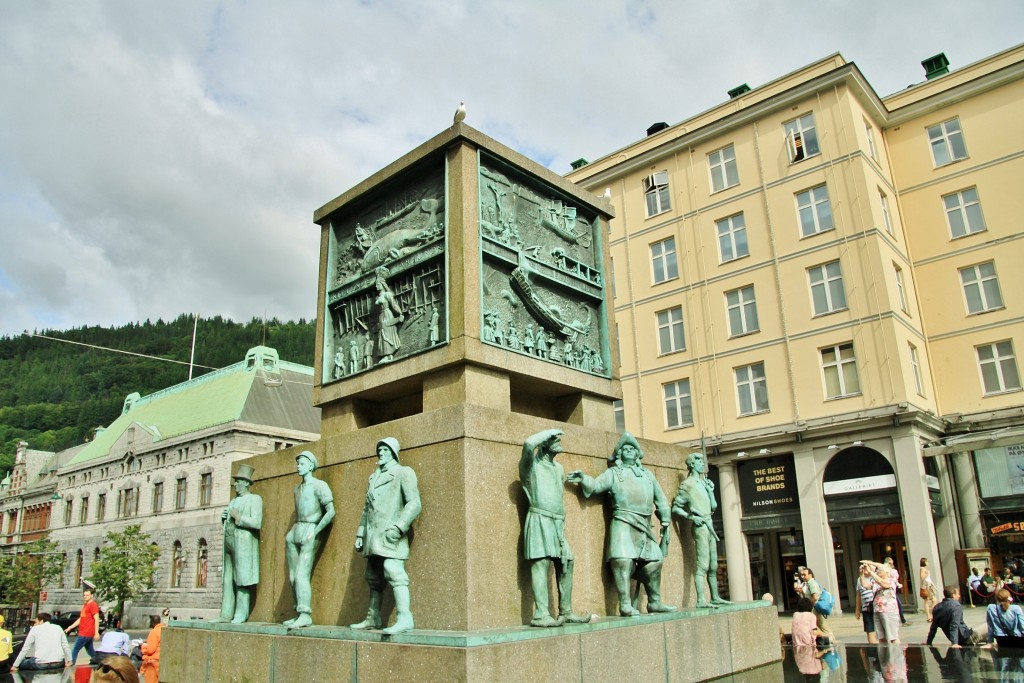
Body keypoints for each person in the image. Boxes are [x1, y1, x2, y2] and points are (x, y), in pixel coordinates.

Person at [568, 433, 676, 616]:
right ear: (619, 454)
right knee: (622, 560)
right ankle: (625, 604)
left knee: (655, 561)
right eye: (625, 449)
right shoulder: (613, 473)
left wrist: (665, 517)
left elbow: (661, 499)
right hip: (623, 521)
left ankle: (654, 601)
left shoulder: (647, 475)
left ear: (637, 454)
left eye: (632, 448)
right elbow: (596, 486)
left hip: (644, 525)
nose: (629, 451)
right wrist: (584, 478)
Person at [518, 429, 591, 627]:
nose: (558, 441)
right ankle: (541, 614)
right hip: (539, 519)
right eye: (553, 440)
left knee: (568, 561)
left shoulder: (558, 468)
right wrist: (548, 432)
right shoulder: (531, 466)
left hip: (557, 523)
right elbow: (528, 444)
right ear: (544, 443)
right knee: (540, 563)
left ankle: (566, 611)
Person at [350, 438, 422, 634]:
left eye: (385, 450)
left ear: (393, 452)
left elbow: (414, 503)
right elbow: (366, 509)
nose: (380, 453)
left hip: (391, 533)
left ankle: (405, 617)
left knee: (394, 571)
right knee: (372, 576)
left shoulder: (403, 472)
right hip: (373, 534)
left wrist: (399, 528)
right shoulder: (373, 478)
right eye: (379, 450)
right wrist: (361, 533)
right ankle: (373, 617)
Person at [283, 451, 335, 628]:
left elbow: (331, 512)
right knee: (292, 577)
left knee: (301, 575)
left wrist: (315, 531)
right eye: (298, 463)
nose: (299, 466)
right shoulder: (296, 489)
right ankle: (298, 611)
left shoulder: (320, 485)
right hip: (295, 531)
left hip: (310, 529)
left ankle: (305, 614)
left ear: (311, 466)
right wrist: (290, 534)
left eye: (302, 463)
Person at [673, 451, 730, 608]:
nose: (702, 465)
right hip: (700, 527)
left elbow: (714, 507)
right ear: (692, 464)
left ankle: (715, 597)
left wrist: (711, 491)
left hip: (710, 524)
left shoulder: (704, 483)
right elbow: (676, 508)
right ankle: (700, 600)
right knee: (703, 564)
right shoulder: (687, 485)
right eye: (699, 462)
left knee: (713, 565)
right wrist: (692, 517)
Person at [218, 463, 263, 624]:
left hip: (244, 543)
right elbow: (228, 521)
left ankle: (241, 613)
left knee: (242, 579)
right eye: (235, 481)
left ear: (245, 483)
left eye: (238, 481)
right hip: (229, 542)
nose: (235, 484)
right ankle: (226, 613)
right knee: (227, 579)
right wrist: (224, 519)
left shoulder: (254, 499)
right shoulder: (233, 501)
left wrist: (238, 518)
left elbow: (257, 522)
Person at [863, 559, 900, 643]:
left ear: (886, 572)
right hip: (877, 610)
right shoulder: (875, 582)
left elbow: (882, 582)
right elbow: (865, 585)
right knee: (881, 637)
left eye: (880, 570)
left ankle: (896, 651)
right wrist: (861, 573)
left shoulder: (891, 580)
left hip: (889, 611)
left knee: (893, 637)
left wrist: (870, 571)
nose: (878, 571)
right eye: (878, 570)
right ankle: (884, 651)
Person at [793, 566, 833, 637]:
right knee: (819, 624)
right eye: (802, 575)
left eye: (804, 575)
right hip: (813, 608)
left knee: (819, 625)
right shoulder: (808, 583)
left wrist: (808, 605)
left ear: (810, 575)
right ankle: (828, 637)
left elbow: (815, 597)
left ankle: (830, 637)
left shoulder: (812, 583)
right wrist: (802, 592)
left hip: (813, 609)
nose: (803, 576)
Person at [65, 588, 101, 664]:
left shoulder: (93, 605)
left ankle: (71, 664)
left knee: (75, 649)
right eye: (84, 595)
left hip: (86, 633)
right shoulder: (85, 605)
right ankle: (99, 663)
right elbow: (81, 619)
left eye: (87, 595)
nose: (85, 596)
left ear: (92, 595)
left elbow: (96, 618)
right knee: (90, 650)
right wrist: (70, 627)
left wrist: (96, 632)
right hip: (84, 632)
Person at [374, 271, 404, 363]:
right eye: (376, 284)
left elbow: (394, 305)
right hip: (381, 316)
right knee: (381, 335)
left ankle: (388, 355)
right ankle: (386, 355)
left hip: (387, 315)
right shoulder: (377, 297)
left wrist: (400, 313)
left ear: (382, 284)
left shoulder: (387, 294)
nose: (376, 286)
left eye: (378, 284)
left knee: (386, 334)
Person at [854, 562, 879, 644]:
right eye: (864, 567)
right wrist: (857, 610)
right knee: (870, 630)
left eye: (867, 567)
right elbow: (858, 595)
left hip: (877, 607)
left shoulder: (876, 577)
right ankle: (873, 648)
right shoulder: (859, 579)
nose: (865, 569)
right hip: (866, 608)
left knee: (880, 631)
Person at [920, 557, 937, 622]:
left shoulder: (925, 569)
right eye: (926, 561)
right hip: (926, 587)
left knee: (932, 600)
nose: (927, 562)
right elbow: (922, 577)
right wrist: (927, 574)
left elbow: (929, 579)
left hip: (929, 586)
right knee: (929, 601)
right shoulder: (922, 569)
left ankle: (930, 616)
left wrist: (933, 585)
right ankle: (929, 616)